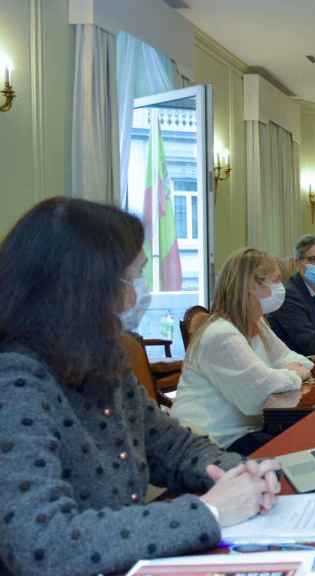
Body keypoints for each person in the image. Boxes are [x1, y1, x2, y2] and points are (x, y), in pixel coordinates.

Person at [0, 198, 280, 575]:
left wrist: (243, 474)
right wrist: (211, 511)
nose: (135, 296)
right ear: (75, 291)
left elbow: (173, 447)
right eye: (127, 281)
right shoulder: (14, 381)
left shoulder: (102, 360)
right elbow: (43, 544)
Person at [173, 248, 315, 456]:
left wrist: (285, 372)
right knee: (299, 453)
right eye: (275, 281)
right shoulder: (221, 334)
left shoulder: (258, 323)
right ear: (250, 286)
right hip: (211, 443)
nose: (280, 288)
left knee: (307, 444)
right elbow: (259, 392)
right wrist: (294, 374)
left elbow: (292, 359)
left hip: (246, 432)